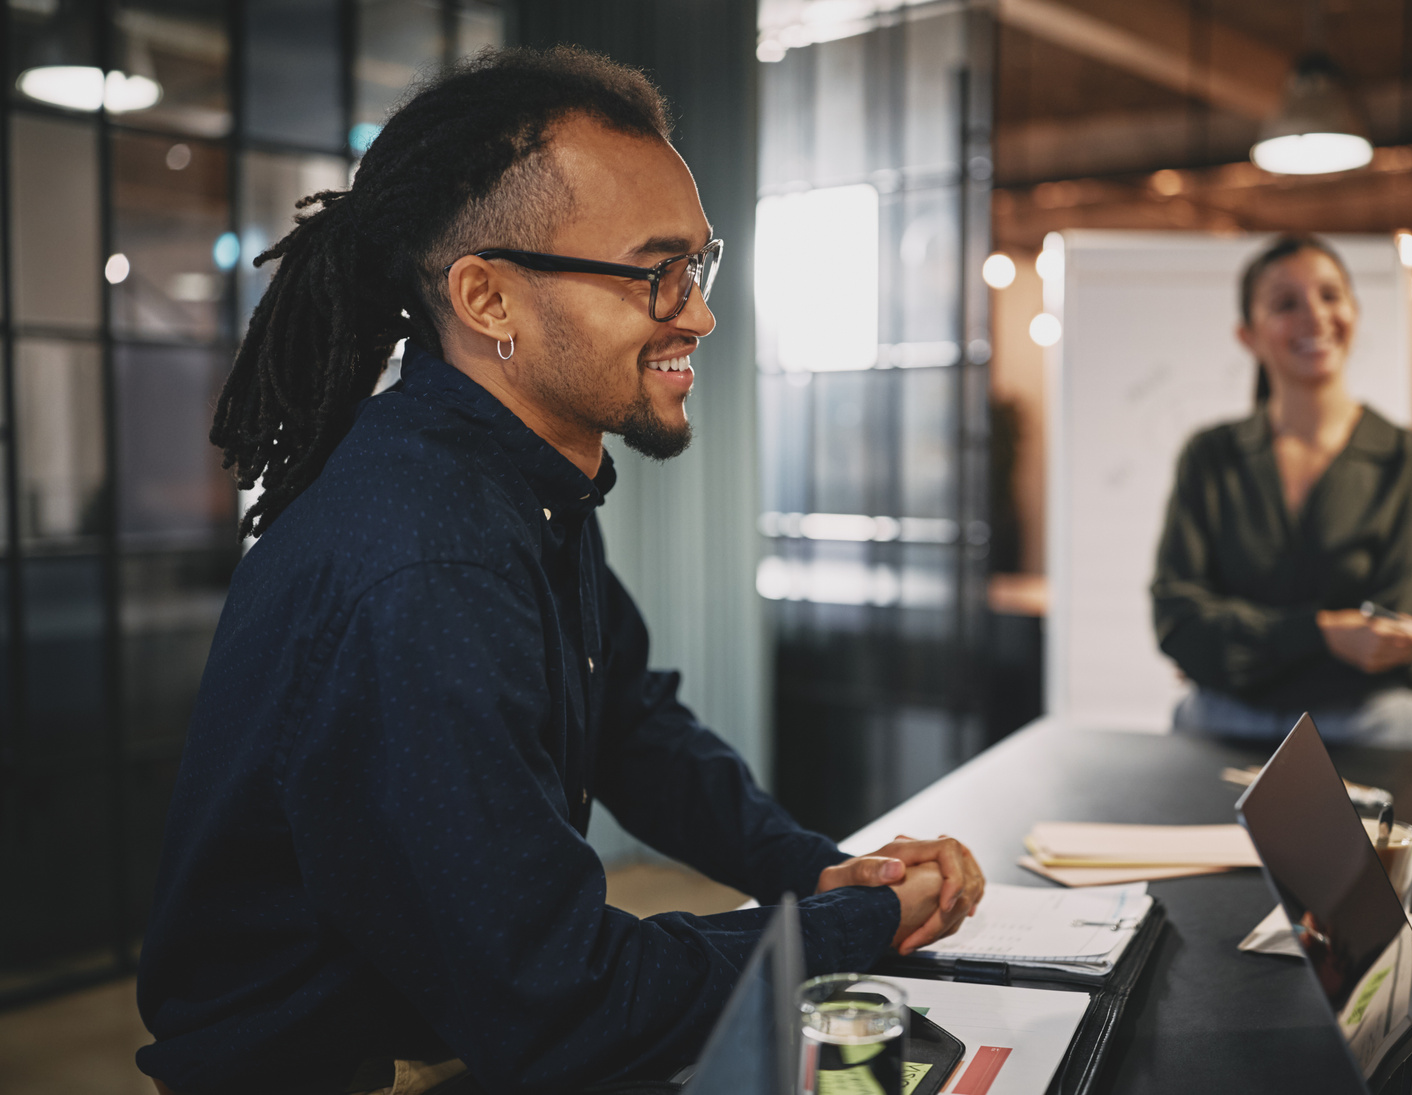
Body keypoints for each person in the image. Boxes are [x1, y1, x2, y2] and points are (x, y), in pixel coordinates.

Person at [135, 47, 984, 1095]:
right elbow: (566, 1005)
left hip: (444, 1031)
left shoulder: (518, 480)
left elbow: (629, 722)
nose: (699, 313)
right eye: (652, 272)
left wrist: (811, 868)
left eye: (699, 264)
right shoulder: (425, 563)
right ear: (488, 299)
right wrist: (854, 923)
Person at [1151, 234, 1412, 749]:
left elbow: (1400, 639)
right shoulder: (1209, 456)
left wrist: (1239, 654)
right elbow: (1178, 621)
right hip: (1223, 718)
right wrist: (1329, 635)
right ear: (1248, 335)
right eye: (1286, 303)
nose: (1314, 315)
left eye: (1330, 295)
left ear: (1354, 311)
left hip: (1364, 722)